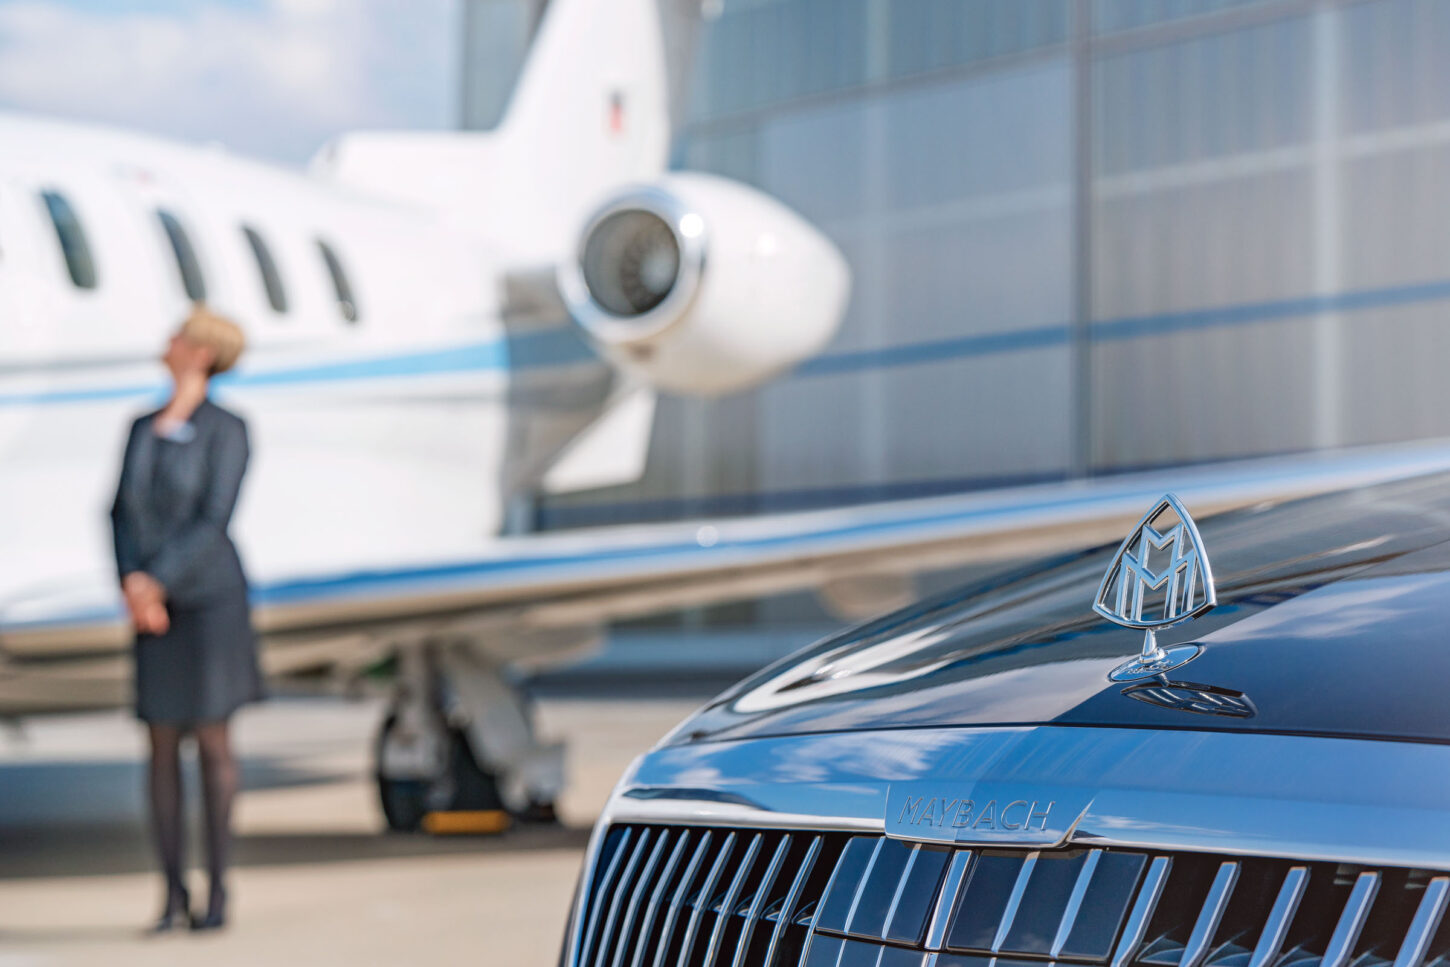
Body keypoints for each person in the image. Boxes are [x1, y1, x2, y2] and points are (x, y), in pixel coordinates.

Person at [110, 305, 262, 933]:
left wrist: (159, 579)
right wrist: (133, 583)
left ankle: (218, 892)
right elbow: (117, 510)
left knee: (214, 742)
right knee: (161, 746)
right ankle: (172, 895)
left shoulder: (228, 428)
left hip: (207, 601)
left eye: (178, 336)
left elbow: (214, 515)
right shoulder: (142, 425)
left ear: (201, 352)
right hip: (153, 611)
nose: (166, 342)